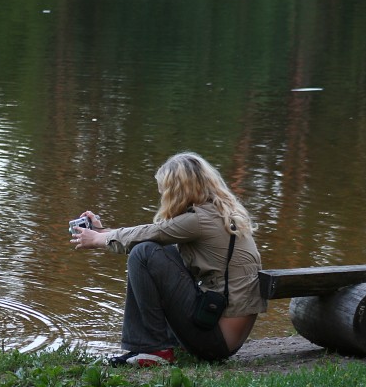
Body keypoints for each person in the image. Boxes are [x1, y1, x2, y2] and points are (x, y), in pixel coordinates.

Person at [71, 152, 267, 366]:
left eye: (164, 191)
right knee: (161, 251)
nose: (162, 195)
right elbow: (151, 234)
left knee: (143, 254)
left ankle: (153, 349)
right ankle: (155, 346)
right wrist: (102, 232)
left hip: (215, 341)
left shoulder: (198, 220)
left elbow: (148, 235)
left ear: (177, 191)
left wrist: (99, 239)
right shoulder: (219, 213)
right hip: (222, 333)